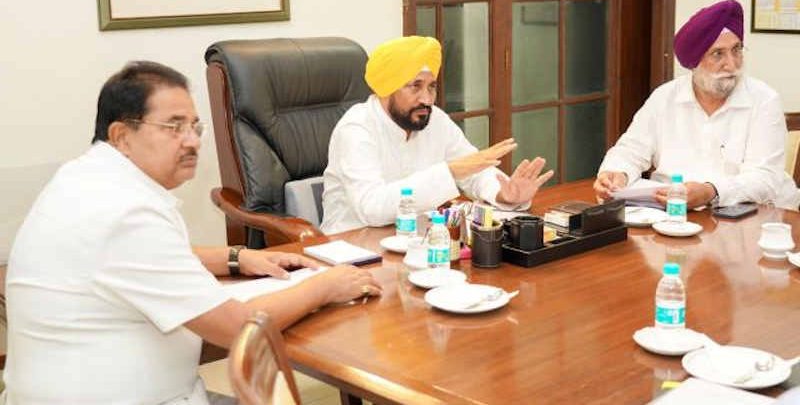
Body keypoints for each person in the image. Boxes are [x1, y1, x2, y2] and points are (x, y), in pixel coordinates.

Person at [3, 61, 382, 404]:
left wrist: (236, 257)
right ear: (121, 135)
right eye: (174, 127)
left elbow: (133, 259)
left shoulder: (87, 179)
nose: (192, 140)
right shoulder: (125, 212)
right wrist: (326, 286)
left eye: (194, 126)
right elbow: (236, 328)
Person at [320, 36, 554, 234]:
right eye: (415, 86)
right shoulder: (357, 128)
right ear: (386, 89)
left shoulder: (435, 119)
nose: (427, 99)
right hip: (354, 247)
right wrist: (450, 172)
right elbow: (371, 208)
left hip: (419, 241)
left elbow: (472, 170)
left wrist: (505, 193)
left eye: (431, 86)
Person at [594, 0, 800, 210]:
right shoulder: (665, 97)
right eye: (718, 54)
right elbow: (630, 150)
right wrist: (616, 174)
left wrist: (710, 191)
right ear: (694, 62)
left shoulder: (764, 100)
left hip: (756, 218)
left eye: (736, 50)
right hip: (674, 215)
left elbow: (764, 179)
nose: (731, 64)